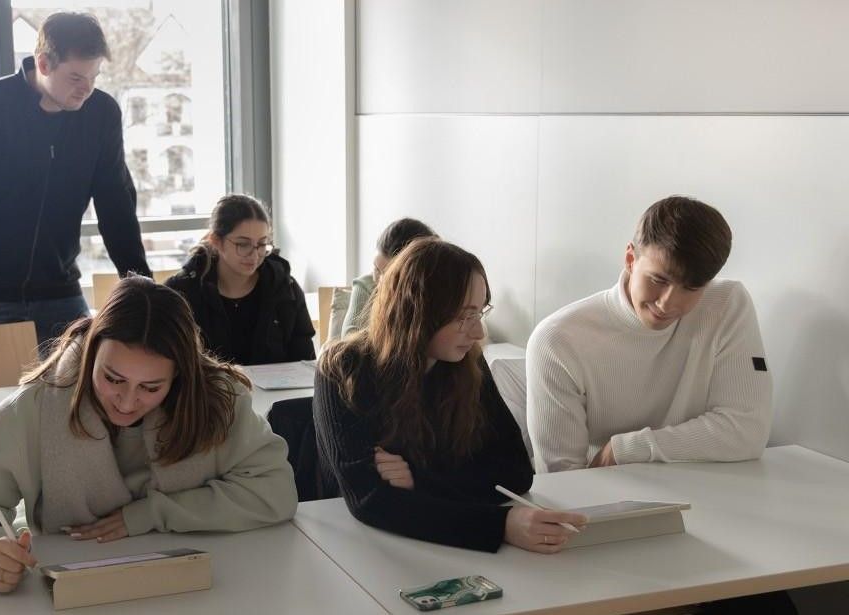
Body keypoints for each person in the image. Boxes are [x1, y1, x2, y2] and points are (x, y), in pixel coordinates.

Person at [0, 277, 297, 593]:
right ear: (92, 352)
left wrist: (153, 513)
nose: (127, 403)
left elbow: (276, 491)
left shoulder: (218, 401)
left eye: (151, 387)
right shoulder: (38, 404)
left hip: (198, 582)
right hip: (72, 588)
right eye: (112, 379)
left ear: (179, 378)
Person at [314, 238, 585, 553]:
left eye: (480, 313)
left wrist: (418, 479)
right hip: (356, 548)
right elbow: (369, 500)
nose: (478, 332)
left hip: (432, 541)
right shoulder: (341, 369)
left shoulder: (465, 361)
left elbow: (515, 473)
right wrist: (499, 525)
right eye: (464, 316)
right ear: (416, 311)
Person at [0, 11, 150, 362]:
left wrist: (141, 285)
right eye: (75, 77)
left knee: (80, 403)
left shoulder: (101, 114)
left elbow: (116, 203)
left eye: (94, 76)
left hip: (61, 291)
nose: (86, 89)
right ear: (43, 62)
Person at [526, 196, 773, 473]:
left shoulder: (726, 303)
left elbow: (748, 431)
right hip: (607, 497)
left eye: (691, 288)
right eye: (659, 280)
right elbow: (563, 481)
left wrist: (626, 449)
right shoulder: (557, 340)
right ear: (630, 259)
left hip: (706, 488)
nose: (668, 303)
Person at [164, 194, 315, 365]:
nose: (254, 254)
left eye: (262, 244)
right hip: (207, 392)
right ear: (216, 241)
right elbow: (169, 365)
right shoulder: (181, 292)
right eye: (243, 244)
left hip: (278, 392)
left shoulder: (286, 288)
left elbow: (305, 364)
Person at [342, 217, 437, 336]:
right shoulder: (366, 285)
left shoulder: (429, 295)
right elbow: (350, 335)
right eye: (376, 269)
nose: (380, 282)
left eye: (389, 276)